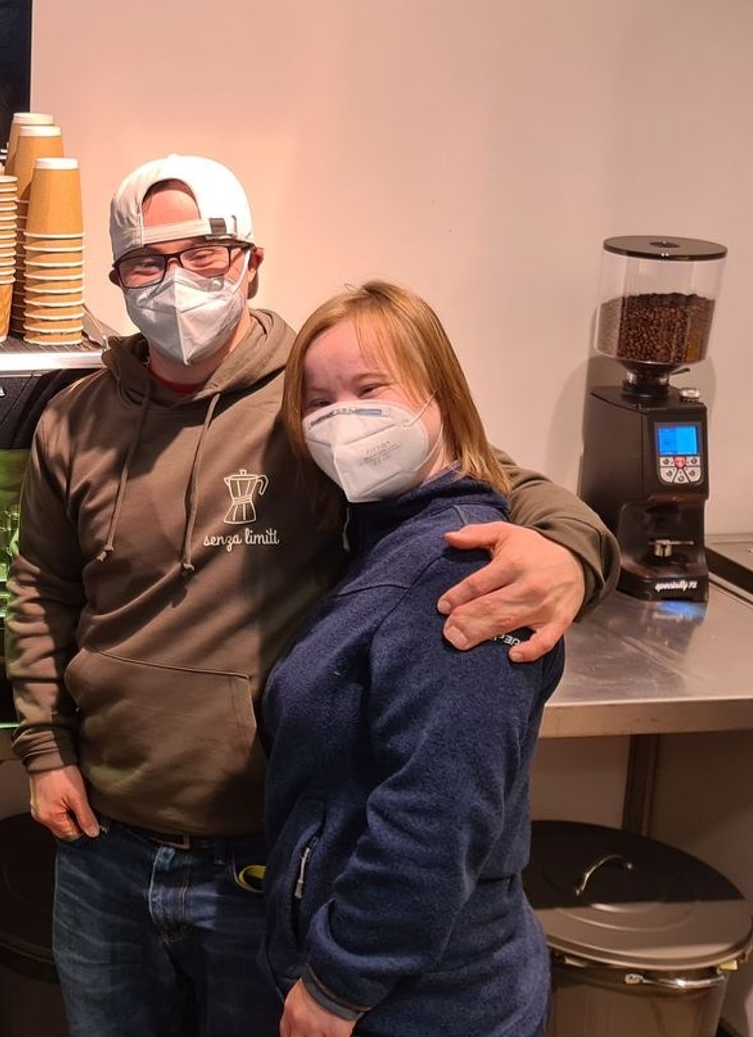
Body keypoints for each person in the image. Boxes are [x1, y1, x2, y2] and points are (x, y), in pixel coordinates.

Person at [5, 154, 616, 1036]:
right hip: (104, 844)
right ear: (118, 278)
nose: (176, 283)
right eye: (147, 262)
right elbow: (42, 586)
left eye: (204, 254)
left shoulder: (316, 396)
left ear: (251, 261)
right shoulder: (75, 419)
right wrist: (43, 747)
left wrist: (570, 557)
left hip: (266, 859)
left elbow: (494, 479)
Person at [260, 280, 559, 1037]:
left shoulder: (462, 570)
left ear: (441, 399)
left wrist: (340, 982)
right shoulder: (384, 544)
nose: (342, 421)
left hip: (424, 997)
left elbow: (437, 811)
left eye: (369, 390)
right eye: (320, 403)